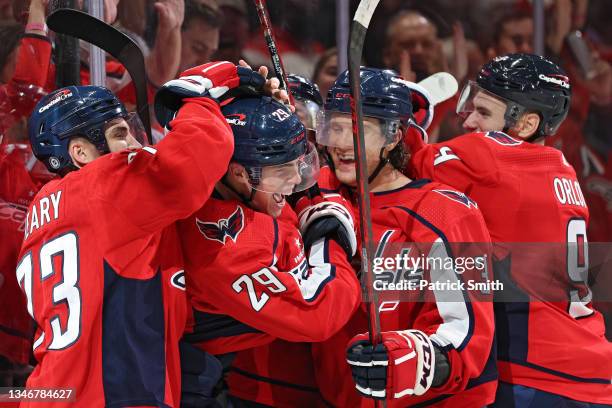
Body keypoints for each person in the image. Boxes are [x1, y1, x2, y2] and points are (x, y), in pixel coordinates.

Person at [228, 67, 497, 407]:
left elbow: (466, 331)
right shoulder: (313, 193)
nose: (340, 143)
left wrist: (411, 359)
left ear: (394, 135)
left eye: (356, 129)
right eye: (335, 127)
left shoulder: (444, 210)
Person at [17, 61, 268, 406]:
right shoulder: (103, 189)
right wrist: (198, 90)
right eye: (120, 134)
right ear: (80, 153)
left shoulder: (45, 208)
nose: (134, 144)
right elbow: (195, 158)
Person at [406, 53, 612, 406]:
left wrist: (412, 116)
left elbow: (399, 163)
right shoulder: (561, 169)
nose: (469, 121)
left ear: (527, 123)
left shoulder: (494, 156)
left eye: (483, 112)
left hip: (535, 375)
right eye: (471, 107)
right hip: (590, 367)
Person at [168, 93, 362, 407]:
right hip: (193, 388)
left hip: (222, 374)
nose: (297, 179)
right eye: (283, 170)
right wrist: (329, 240)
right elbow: (319, 313)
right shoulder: (223, 247)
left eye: (298, 163)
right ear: (238, 172)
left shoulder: (244, 195)